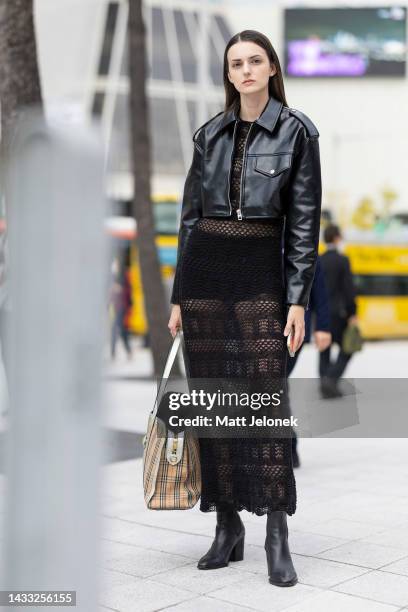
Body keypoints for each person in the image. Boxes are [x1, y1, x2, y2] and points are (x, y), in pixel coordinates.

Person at [167, 30, 322, 586]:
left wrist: (298, 299)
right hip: (207, 267)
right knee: (213, 403)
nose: (246, 70)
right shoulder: (209, 133)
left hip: (260, 269)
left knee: (265, 403)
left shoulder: (299, 132)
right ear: (228, 74)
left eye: (255, 60)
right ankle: (227, 526)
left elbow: (305, 224)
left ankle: (277, 534)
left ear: (273, 67)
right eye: (237, 63)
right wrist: (179, 294)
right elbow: (189, 218)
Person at [286, 257, 331, 467]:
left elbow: (319, 290)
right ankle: (286, 445)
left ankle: (288, 446)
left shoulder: (305, 249)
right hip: (257, 326)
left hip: (293, 331)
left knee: (274, 386)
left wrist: (323, 326)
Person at [319, 224, 357, 398]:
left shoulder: (318, 260)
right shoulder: (343, 260)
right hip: (339, 314)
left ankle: (325, 384)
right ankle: (331, 379)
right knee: (348, 348)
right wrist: (352, 313)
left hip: (321, 314)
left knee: (324, 349)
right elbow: (348, 289)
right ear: (336, 238)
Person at [109, 261, 132, 360]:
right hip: (113, 306)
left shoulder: (124, 276)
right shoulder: (111, 276)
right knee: (114, 329)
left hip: (121, 306)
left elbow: (128, 292)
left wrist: (119, 289)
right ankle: (113, 352)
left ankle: (127, 350)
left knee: (121, 329)